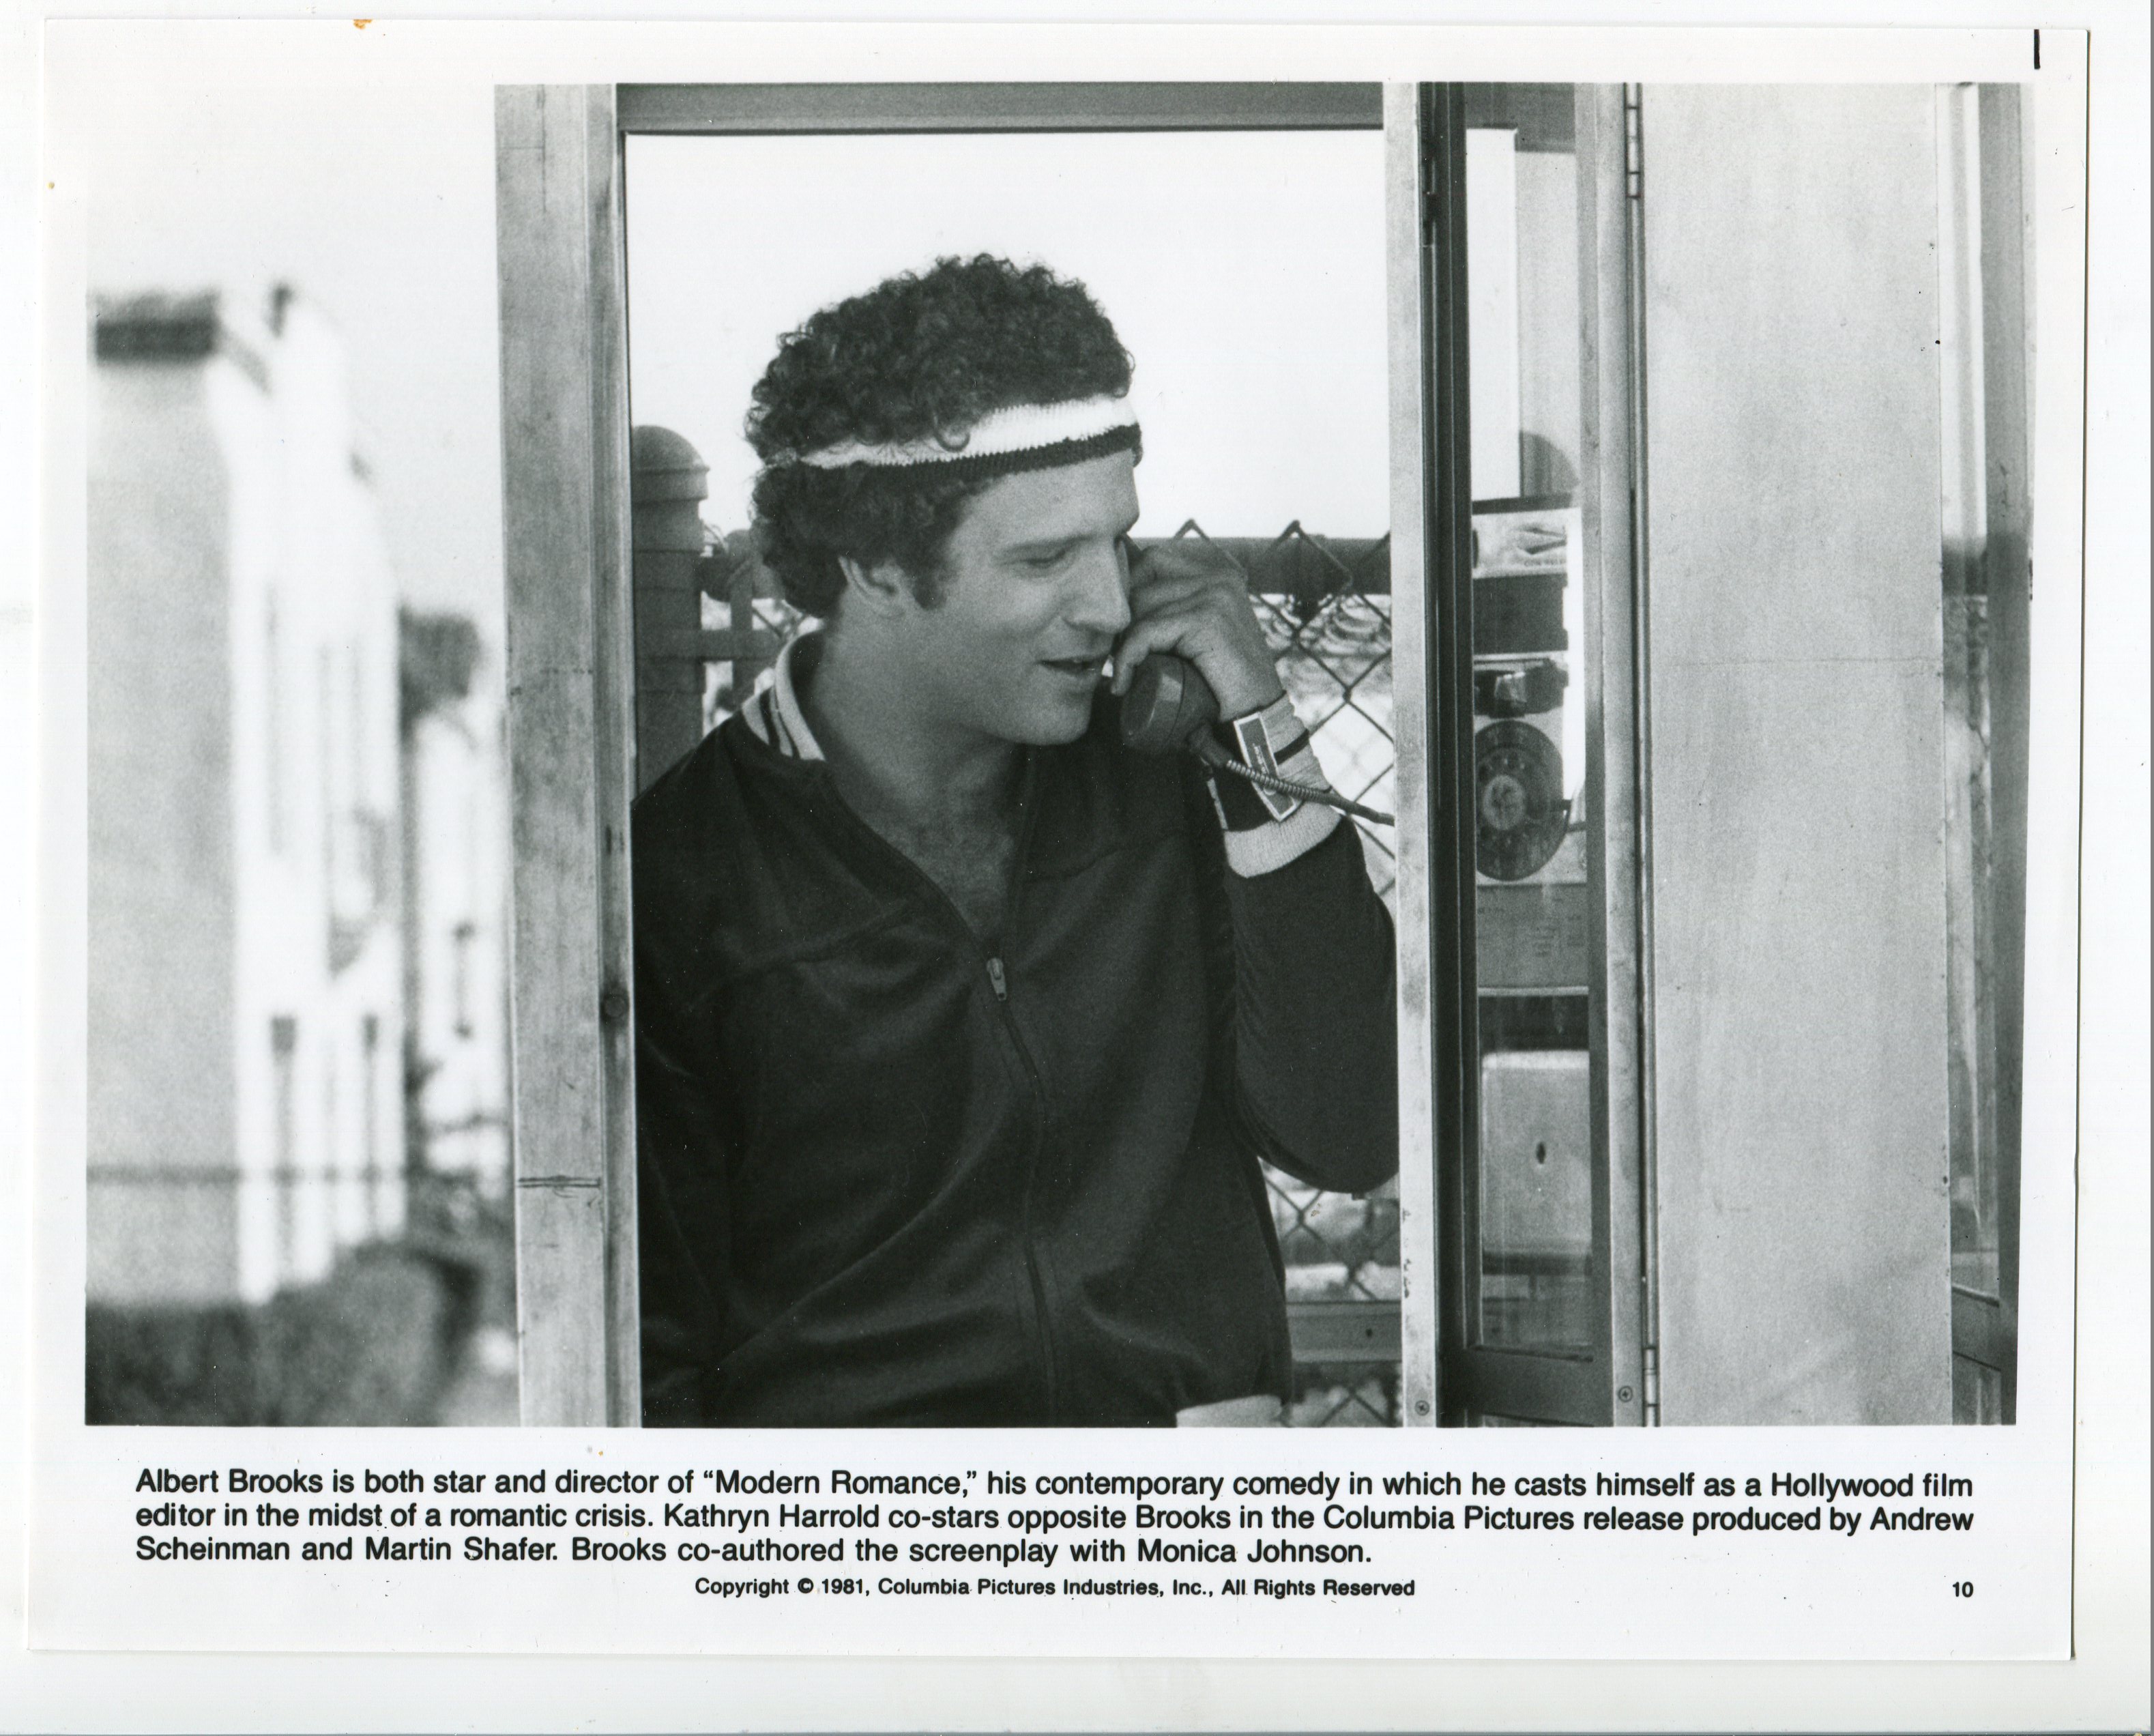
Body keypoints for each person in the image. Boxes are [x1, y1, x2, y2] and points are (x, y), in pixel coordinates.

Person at [632, 255, 1397, 1427]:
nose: (1109, 606)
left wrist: (1260, 723)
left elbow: (1352, 1131)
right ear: (874, 566)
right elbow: (655, 1358)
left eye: (1116, 544)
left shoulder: (1164, 778)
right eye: (1044, 560)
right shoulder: (688, 872)